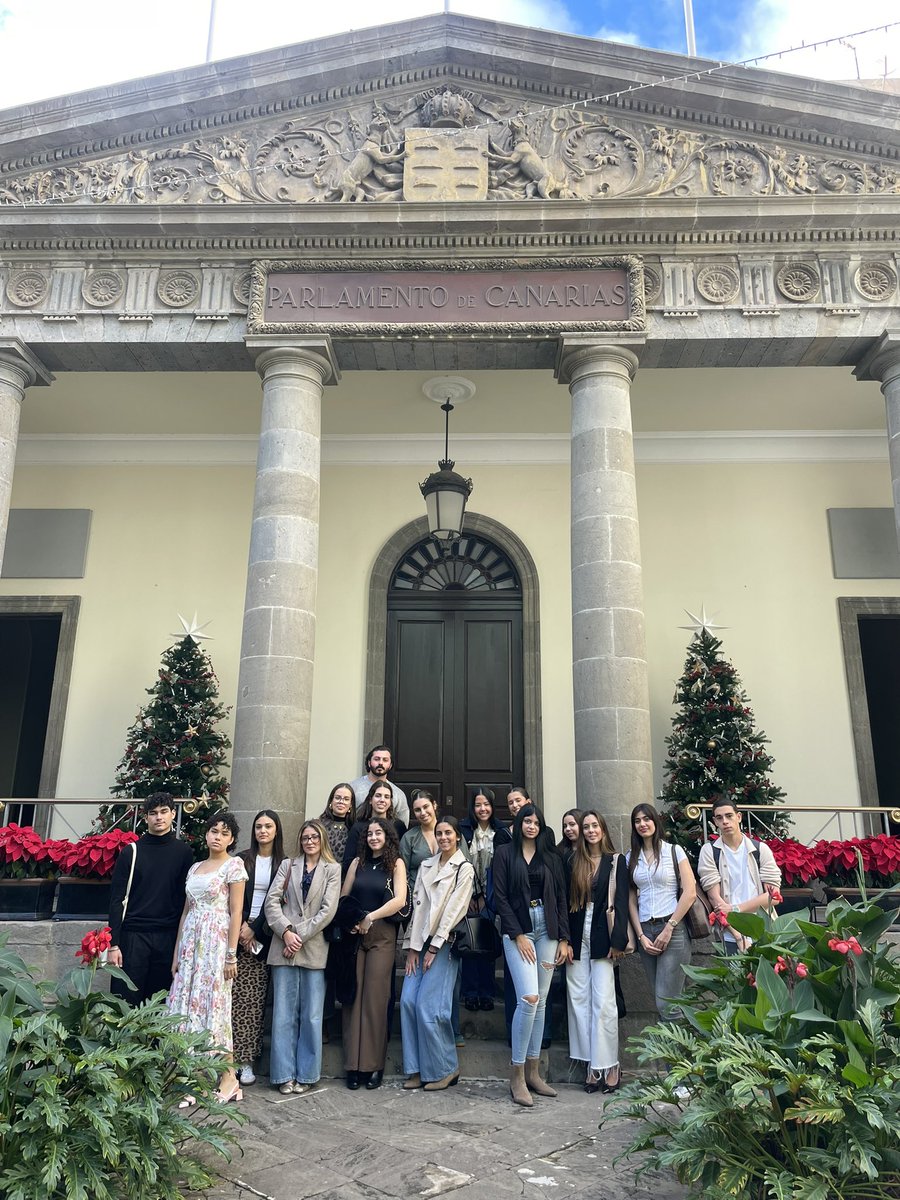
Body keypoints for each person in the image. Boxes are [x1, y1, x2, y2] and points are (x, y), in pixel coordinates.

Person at [167, 811, 247, 1103]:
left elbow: (236, 912)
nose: (217, 837)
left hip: (215, 943)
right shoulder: (195, 868)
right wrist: (177, 952)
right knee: (190, 1008)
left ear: (232, 839)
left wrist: (231, 955)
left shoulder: (234, 866)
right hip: (191, 944)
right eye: (214, 831)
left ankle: (229, 1078)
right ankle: (196, 1080)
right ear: (206, 834)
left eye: (224, 833)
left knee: (215, 1007)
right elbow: (186, 911)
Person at [493, 803, 569, 1107]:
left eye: (537, 822)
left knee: (543, 1002)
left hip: (547, 931)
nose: (532, 826)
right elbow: (499, 897)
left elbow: (561, 898)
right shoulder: (504, 855)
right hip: (518, 931)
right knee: (529, 999)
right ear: (519, 823)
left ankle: (535, 1073)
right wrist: (518, 934)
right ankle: (517, 1074)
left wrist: (564, 938)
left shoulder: (551, 857)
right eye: (527, 821)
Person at [265, 819, 341, 1095]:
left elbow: (327, 910)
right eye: (305, 837)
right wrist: (286, 932)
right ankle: (283, 1074)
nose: (309, 841)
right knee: (283, 1015)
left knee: (311, 1015)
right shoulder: (288, 866)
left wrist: (298, 936)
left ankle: (308, 1074)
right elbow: (271, 902)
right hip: (283, 947)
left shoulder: (333, 869)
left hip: (313, 948)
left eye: (314, 837)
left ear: (322, 840)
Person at [400, 816, 475, 1091]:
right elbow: (417, 908)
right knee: (408, 1001)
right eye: (440, 833)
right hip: (419, 943)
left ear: (457, 836)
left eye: (448, 833)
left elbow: (455, 910)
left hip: (444, 944)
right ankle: (417, 1069)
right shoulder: (425, 865)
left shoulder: (464, 868)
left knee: (431, 1007)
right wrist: (412, 948)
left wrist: (434, 946)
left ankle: (446, 1068)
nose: (443, 837)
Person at [108, 792, 194, 1006]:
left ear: (173, 814)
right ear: (145, 818)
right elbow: (117, 899)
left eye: (164, 812)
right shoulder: (131, 852)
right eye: (153, 813)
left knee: (160, 1005)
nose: (159, 817)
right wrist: (113, 945)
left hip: (167, 938)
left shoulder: (183, 853)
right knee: (125, 1003)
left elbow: (185, 900)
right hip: (132, 938)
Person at [341, 817, 408, 1089]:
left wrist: (372, 916)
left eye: (379, 833)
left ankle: (373, 1066)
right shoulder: (357, 863)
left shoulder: (396, 864)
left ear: (388, 836)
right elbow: (344, 896)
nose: (373, 837)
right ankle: (353, 1066)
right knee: (354, 998)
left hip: (382, 935)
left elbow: (400, 899)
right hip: (357, 934)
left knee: (376, 1000)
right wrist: (355, 919)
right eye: (369, 833)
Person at [566, 810, 630, 1094]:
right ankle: (592, 1065)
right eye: (586, 826)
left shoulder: (616, 861)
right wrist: (564, 940)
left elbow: (622, 901)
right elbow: (567, 903)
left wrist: (618, 942)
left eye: (595, 826)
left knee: (604, 1003)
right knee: (578, 999)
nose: (590, 830)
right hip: (578, 933)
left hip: (604, 933)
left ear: (603, 830)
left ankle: (611, 1064)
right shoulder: (574, 860)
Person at [627, 803, 696, 1021]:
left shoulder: (674, 851)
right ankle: (685, 1050)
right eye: (637, 821)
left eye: (646, 819)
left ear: (655, 822)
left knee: (667, 1003)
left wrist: (670, 928)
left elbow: (690, 892)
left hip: (673, 928)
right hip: (646, 930)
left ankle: (679, 1053)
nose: (642, 824)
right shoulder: (630, 857)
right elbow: (630, 899)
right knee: (664, 999)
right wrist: (640, 936)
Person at [233, 809, 285, 1086]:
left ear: (276, 830)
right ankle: (225, 1059)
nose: (262, 831)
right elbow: (232, 896)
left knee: (252, 1003)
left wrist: (255, 928)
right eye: (258, 827)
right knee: (229, 999)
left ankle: (246, 1061)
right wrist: (242, 926)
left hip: (264, 935)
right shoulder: (242, 859)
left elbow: (278, 902)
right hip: (236, 932)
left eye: (268, 826)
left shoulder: (284, 863)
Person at [697, 796, 781, 953]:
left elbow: (774, 896)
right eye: (719, 818)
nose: (725, 822)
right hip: (730, 934)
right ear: (715, 822)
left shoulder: (760, 849)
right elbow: (715, 899)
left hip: (764, 930)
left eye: (729, 816)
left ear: (739, 817)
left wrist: (735, 909)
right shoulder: (709, 851)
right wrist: (738, 936)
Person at [459, 787, 510, 1012]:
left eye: (486, 804)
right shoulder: (463, 829)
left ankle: (487, 993)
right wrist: (470, 895)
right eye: (478, 805)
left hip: (491, 896)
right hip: (466, 895)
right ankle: (470, 992)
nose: (482, 809)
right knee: (470, 944)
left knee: (487, 945)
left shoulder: (501, 831)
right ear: (473, 807)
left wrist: (488, 898)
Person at [342, 781, 408, 873]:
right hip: (362, 877)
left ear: (390, 802)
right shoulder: (358, 827)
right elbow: (348, 861)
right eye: (378, 796)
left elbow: (403, 856)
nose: (382, 800)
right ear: (370, 800)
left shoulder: (398, 826)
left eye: (386, 797)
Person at [350, 744, 409, 826]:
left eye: (385, 760)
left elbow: (403, 824)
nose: (380, 763)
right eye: (377, 759)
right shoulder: (353, 788)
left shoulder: (398, 794)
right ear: (369, 762)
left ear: (390, 765)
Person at [400, 789, 439, 889]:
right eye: (417, 810)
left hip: (448, 897)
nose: (423, 813)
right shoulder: (409, 837)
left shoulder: (450, 832)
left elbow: (464, 866)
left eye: (426, 807)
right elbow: (402, 873)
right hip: (417, 897)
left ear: (434, 805)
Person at [319, 783, 357, 862]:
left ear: (351, 805)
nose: (341, 801)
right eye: (337, 798)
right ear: (331, 801)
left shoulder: (355, 828)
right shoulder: (318, 826)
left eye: (346, 799)